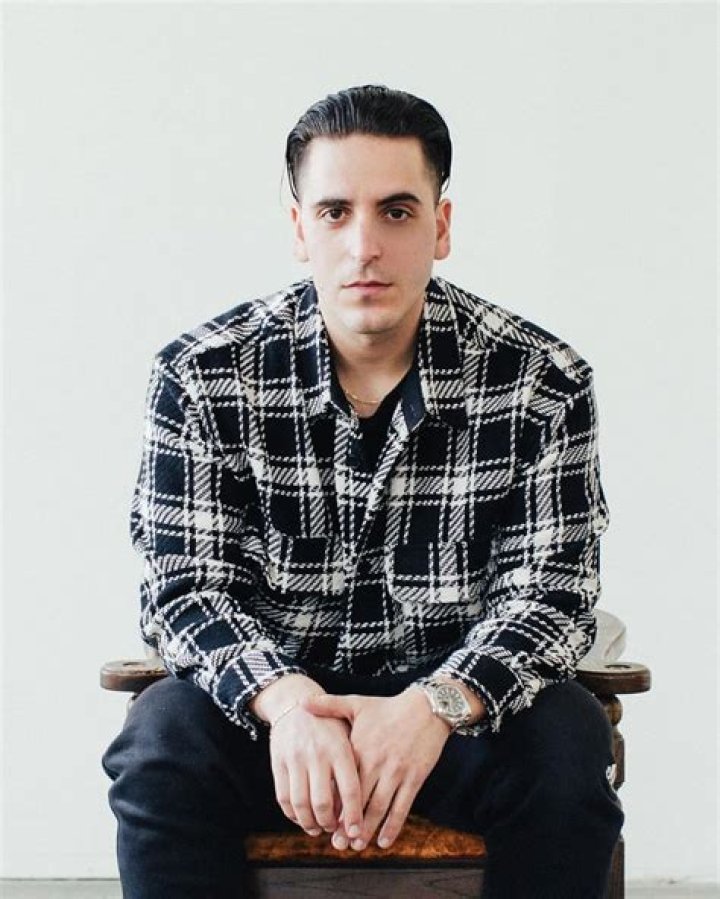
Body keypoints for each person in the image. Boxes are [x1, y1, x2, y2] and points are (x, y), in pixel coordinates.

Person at [102, 84, 623, 898]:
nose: (364, 246)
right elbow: (186, 591)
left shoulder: (540, 382)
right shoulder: (202, 377)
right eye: (336, 211)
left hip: (456, 717)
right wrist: (288, 703)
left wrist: (436, 705)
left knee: (565, 739)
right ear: (299, 228)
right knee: (161, 741)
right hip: (273, 716)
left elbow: (550, 594)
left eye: (397, 212)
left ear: (440, 227)